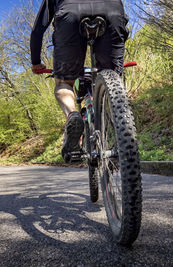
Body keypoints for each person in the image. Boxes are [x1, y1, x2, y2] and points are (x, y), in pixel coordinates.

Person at [30, 0, 129, 162]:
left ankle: (72, 115)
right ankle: (123, 126)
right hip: (112, 10)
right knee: (113, 76)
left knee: (64, 83)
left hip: (70, 13)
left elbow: (37, 30)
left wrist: (35, 62)